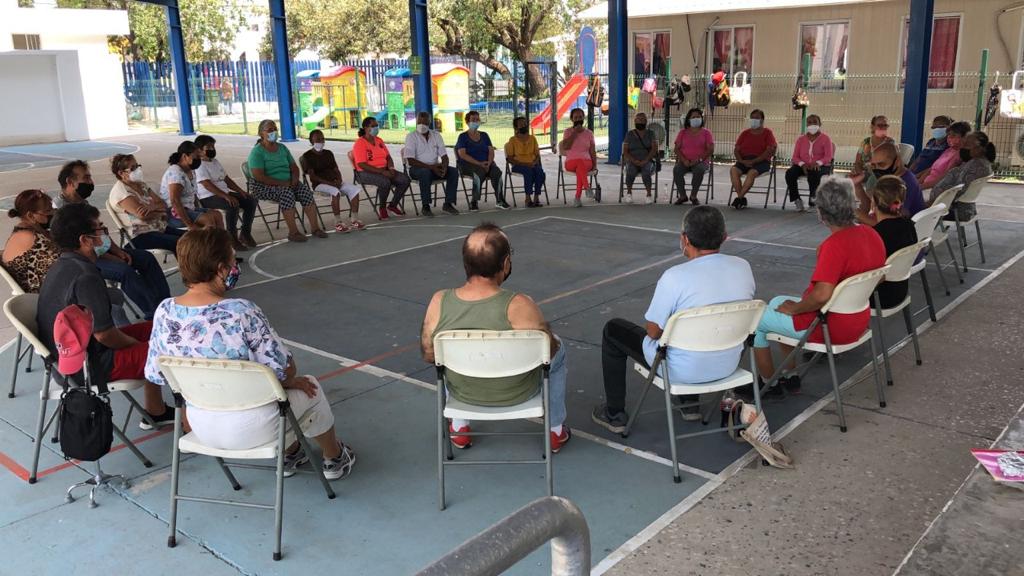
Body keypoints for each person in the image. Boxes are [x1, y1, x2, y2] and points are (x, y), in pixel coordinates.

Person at [144, 228, 355, 479]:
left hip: (201, 425)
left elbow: (156, 374)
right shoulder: (240, 311)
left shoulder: (165, 311)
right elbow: (284, 369)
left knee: (278, 391)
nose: (235, 267)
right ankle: (334, 457)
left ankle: (292, 453)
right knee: (308, 387)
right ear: (221, 269)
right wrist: (291, 381)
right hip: (253, 427)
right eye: (233, 261)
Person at [591, 206, 756, 433]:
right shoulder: (743, 267)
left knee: (613, 330)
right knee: (699, 331)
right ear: (724, 237)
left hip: (680, 370)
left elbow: (653, 331)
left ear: (685, 239)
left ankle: (614, 414)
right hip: (727, 365)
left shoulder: (675, 277)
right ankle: (689, 404)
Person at [420, 223, 571, 452]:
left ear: (466, 262)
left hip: (463, 395)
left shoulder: (439, 302)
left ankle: (459, 428)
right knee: (558, 347)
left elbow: (429, 354)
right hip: (519, 393)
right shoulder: (521, 305)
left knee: (444, 358)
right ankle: (555, 430)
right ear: (506, 263)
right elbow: (548, 351)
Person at [38, 203, 174, 428]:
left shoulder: (62, 265)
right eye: (100, 229)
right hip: (88, 366)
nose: (104, 234)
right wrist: (138, 346)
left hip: (68, 357)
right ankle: (193, 416)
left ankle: (155, 410)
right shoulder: (86, 276)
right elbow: (105, 335)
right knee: (174, 346)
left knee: (159, 328)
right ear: (85, 240)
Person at [751, 178, 886, 395]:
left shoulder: (834, 246)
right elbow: (880, 277)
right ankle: (790, 376)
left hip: (829, 326)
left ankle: (768, 384)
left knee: (758, 321)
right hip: (858, 320)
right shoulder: (872, 234)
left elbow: (822, 294)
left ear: (821, 214)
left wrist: (796, 309)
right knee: (777, 302)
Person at [57, 161, 171, 320]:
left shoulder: (81, 203)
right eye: (86, 178)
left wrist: (117, 250)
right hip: (85, 260)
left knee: (146, 258)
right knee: (125, 272)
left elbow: (100, 231)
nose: (90, 182)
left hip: (102, 250)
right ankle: (155, 314)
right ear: (70, 182)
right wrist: (112, 257)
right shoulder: (61, 212)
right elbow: (81, 247)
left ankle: (166, 304)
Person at [247, 119, 327, 242]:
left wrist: (294, 179)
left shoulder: (282, 148)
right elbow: (259, 176)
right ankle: (293, 232)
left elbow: (294, 167)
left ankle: (315, 228)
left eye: (275, 129)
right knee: (286, 193)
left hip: (288, 182)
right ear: (261, 133)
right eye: (270, 130)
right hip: (264, 186)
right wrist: (282, 184)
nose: (273, 132)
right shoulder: (257, 152)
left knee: (305, 192)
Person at [109, 153, 187, 254]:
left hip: (158, 227)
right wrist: (160, 212)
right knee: (182, 242)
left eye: (137, 166)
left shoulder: (141, 185)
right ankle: (189, 263)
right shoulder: (122, 192)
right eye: (133, 168)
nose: (137, 170)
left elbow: (163, 204)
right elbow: (144, 216)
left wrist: (152, 207)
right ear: (121, 173)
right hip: (140, 236)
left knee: (192, 236)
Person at [194, 135, 259, 250]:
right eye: (208, 147)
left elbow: (226, 179)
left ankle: (245, 233)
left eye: (213, 147)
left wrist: (241, 191)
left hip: (224, 193)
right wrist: (226, 196)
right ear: (199, 150)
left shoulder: (215, 162)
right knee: (232, 204)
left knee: (250, 201)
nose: (212, 149)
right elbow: (207, 185)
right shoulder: (199, 165)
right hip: (207, 197)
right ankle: (231, 238)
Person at [300, 129, 366, 231]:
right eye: (318, 139)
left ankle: (355, 219)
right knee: (335, 192)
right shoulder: (307, 156)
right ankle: (338, 222)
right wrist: (330, 183)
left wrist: (339, 180)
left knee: (355, 190)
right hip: (320, 184)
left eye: (322, 139)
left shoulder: (328, 153)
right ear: (311, 141)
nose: (321, 141)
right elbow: (313, 177)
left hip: (335, 181)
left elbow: (336, 169)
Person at [869, 176, 918, 310]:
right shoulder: (909, 225)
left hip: (878, 297)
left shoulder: (877, 235)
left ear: (874, 202)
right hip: (900, 290)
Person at [928, 130, 996, 222]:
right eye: (963, 144)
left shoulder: (976, 165)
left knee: (912, 211)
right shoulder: (976, 162)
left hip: (952, 210)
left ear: (979, 148)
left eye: (967, 145)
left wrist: (932, 204)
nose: (963, 148)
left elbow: (958, 190)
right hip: (950, 206)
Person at [352, 116, 411, 221]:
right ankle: (382, 208)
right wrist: (382, 172)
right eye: (373, 126)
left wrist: (391, 168)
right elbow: (361, 164)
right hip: (365, 172)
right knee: (384, 182)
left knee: (405, 180)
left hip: (384, 169)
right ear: (366, 128)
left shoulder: (379, 140)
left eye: (377, 125)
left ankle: (392, 205)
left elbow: (388, 157)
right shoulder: (360, 143)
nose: (376, 128)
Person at [403, 112, 460, 217]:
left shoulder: (436, 135)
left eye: (424, 122)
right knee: (425, 173)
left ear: (429, 123)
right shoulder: (411, 137)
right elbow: (410, 160)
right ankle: (426, 206)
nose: (421, 125)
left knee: (453, 172)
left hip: (434, 167)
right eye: (419, 122)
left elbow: (444, 156)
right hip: (416, 169)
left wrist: (444, 167)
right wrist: (431, 167)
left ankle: (448, 204)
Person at [159, 141, 224, 231]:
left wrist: (198, 211)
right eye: (196, 157)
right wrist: (190, 224)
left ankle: (221, 239)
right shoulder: (176, 173)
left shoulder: (191, 171)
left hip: (188, 208)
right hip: (173, 213)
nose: (199, 160)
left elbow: (193, 195)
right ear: (185, 156)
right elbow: (175, 201)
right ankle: (208, 240)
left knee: (217, 215)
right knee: (208, 220)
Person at [857, 142, 925, 224]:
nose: (877, 169)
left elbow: (889, 225)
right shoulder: (890, 180)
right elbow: (870, 207)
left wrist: (855, 213)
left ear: (897, 162)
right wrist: (857, 185)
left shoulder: (903, 185)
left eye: (881, 164)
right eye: (873, 166)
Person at [455, 110, 510, 211]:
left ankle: (500, 200)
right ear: (467, 122)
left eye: (477, 119)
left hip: (486, 163)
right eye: (473, 120)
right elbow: (462, 154)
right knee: (479, 173)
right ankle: (474, 201)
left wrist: (489, 162)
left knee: (496, 172)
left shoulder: (484, 135)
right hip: (468, 165)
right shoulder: (463, 137)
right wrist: (479, 164)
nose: (476, 122)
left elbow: (491, 151)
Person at [729, 109, 777, 209]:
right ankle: (741, 198)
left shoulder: (767, 133)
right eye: (752, 118)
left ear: (762, 120)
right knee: (733, 170)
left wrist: (754, 161)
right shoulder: (745, 133)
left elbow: (769, 151)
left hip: (762, 161)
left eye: (757, 118)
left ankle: (739, 198)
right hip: (744, 160)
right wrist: (741, 161)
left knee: (751, 173)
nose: (754, 120)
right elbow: (736, 150)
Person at [785, 114, 834, 212]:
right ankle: (797, 199)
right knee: (790, 173)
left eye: (815, 122)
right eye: (809, 122)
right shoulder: (801, 139)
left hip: (821, 166)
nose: (812, 124)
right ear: (806, 125)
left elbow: (828, 157)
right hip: (803, 165)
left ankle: (813, 202)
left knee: (814, 173)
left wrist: (818, 163)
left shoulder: (826, 139)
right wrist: (802, 164)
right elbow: (795, 157)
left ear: (820, 124)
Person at [672, 108, 713, 206]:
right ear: (689, 119)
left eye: (698, 117)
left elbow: (710, 149)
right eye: (693, 117)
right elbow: (676, 149)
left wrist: (698, 160)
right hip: (685, 161)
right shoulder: (682, 132)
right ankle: (682, 196)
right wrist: (684, 160)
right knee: (677, 170)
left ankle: (693, 196)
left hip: (701, 162)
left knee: (699, 170)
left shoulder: (706, 133)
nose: (696, 119)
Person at [558, 108, 598, 208]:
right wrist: (574, 133)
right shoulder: (567, 131)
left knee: (580, 168)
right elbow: (565, 147)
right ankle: (587, 188)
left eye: (580, 117)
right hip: (570, 162)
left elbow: (592, 151)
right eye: (575, 117)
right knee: (580, 164)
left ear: (583, 118)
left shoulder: (589, 133)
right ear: (572, 119)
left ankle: (577, 198)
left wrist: (595, 165)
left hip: (587, 162)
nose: (578, 119)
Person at [850, 115, 894, 203]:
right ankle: (863, 201)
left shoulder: (890, 142)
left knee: (872, 180)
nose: (883, 128)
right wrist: (860, 172)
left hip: (880, 172)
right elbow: (858, 162)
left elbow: (889, 163)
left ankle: (869, 203)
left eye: (885, 125)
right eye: (880, 125)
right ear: (873, 127)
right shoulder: (866, 142)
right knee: (849, 178)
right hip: (865, 172)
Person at [504, 116, 546, 208]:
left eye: (525, 124)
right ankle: (528, 198)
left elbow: (537, 155)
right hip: (518, 165)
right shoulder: (512, 140)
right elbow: (509, 158)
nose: (524, 126)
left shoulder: (532, 138)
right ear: (516, 127)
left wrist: (534, 163)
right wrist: (525, 164)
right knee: (529, 172)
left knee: (540, 173)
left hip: (532, 164)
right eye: (521, 124)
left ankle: (536, 198)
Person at [621, 112, 659, 204]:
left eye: (642, 119)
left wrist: (645, 160)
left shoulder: (651, 133)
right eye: (638, 119)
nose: (640, 121)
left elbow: (654, 149)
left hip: (647, 160)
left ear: (646, 121)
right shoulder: (629, 134)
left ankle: (649, 195)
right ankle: (629, 193)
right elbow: (625, 151)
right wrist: (634, 160)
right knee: (630, 171)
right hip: (632, 160)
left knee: (646, 172)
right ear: (634, 121)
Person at [920, 121, 969, 190]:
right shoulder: (948, 150)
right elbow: (931, 169)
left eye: (953, 135)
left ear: (964, 137)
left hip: (934, 188)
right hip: (925, 185)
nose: (949, 138)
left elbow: (945, 177)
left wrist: (921, 187)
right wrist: (917, 183)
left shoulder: (960, 155)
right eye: (948, 135)